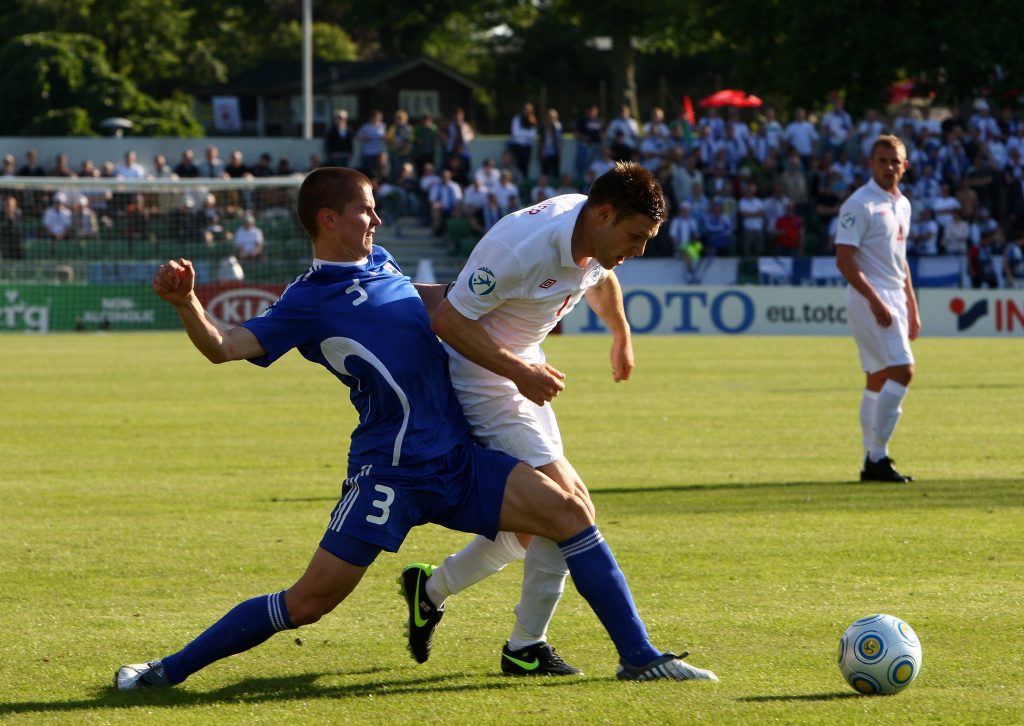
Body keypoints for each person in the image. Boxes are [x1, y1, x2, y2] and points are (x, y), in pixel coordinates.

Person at [115, 166, 716, 690]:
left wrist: (509, 319)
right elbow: (224, 346)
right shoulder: (306, 300)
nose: (376, 220)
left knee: (568, 514)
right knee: (308, 603)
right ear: (329, 219)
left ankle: (636, 656)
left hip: (455, 456)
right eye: (365, 211)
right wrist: (188, 304)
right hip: (391, 471)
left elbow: (440, 303)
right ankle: (164, 670)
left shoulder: (382, 263)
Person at [397, 162, 715, 680]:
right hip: (483, 377)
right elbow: (449, 321)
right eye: (636, 237)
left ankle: (435, 593)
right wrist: (518, 369)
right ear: (605, 215)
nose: (639, 250)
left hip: (521, 368)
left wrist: (621, 334)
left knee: (536, 527)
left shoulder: (594, 231)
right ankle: (605, 652)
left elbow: (600, 276)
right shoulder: (522, 246)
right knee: (570, 509)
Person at [835, 135, 919, 484]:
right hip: (871, 297)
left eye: (894, 161)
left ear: (905, 166)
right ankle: (877, 456)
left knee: (878, 378)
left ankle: (872, 460)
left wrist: (911, 305)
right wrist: (875, 299)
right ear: (871, 164)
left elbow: (900, 260)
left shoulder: (903, 204)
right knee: (904, 371)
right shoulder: (860, 204)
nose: (888, 167)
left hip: (894, 297)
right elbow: (844, 259)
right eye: (882, 161)